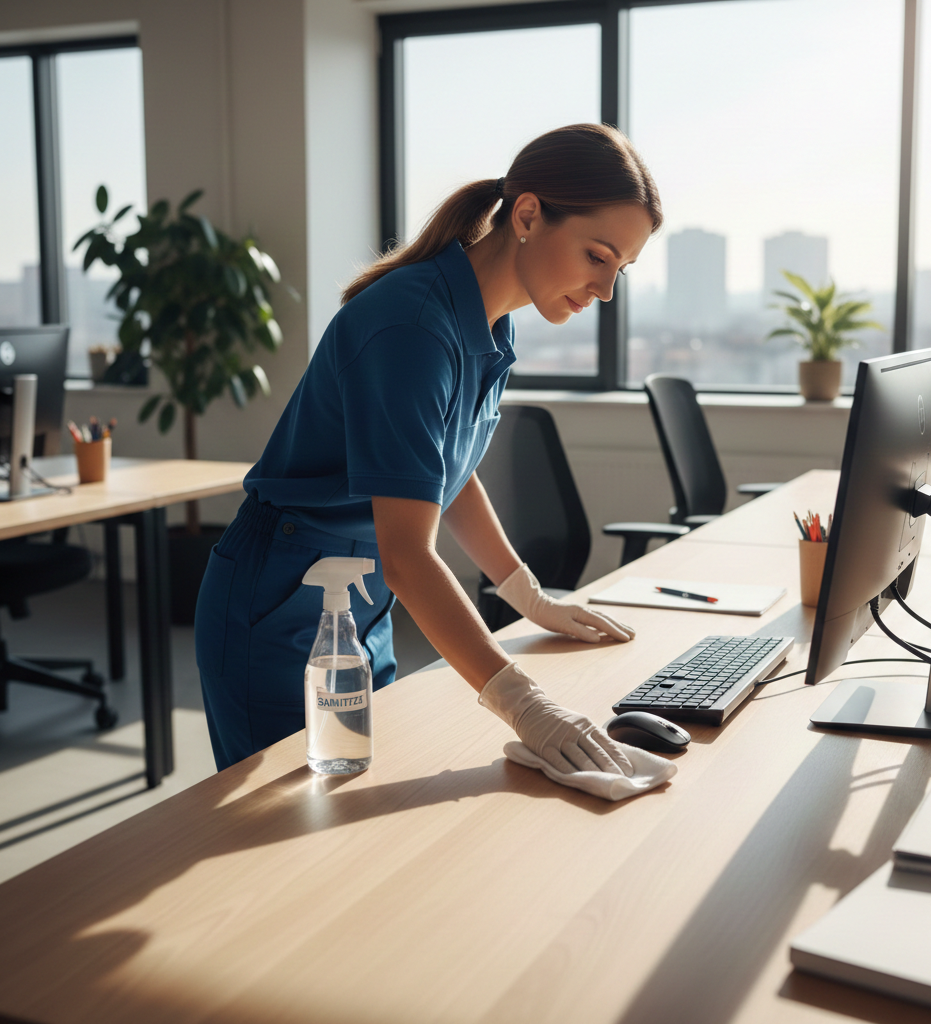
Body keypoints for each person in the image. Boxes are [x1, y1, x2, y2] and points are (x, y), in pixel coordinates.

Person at [195, 123, 663, 788]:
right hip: (282, 598)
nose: (607, 289)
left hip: (360, 597)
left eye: (620, 268)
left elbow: (445, 471)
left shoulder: (486, 319)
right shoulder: (414, 325)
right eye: (597, 256)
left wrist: (524, 593)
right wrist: (524, 704)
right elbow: (410, 552)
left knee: (350, 808)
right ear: (528, 215)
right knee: (286, 824)